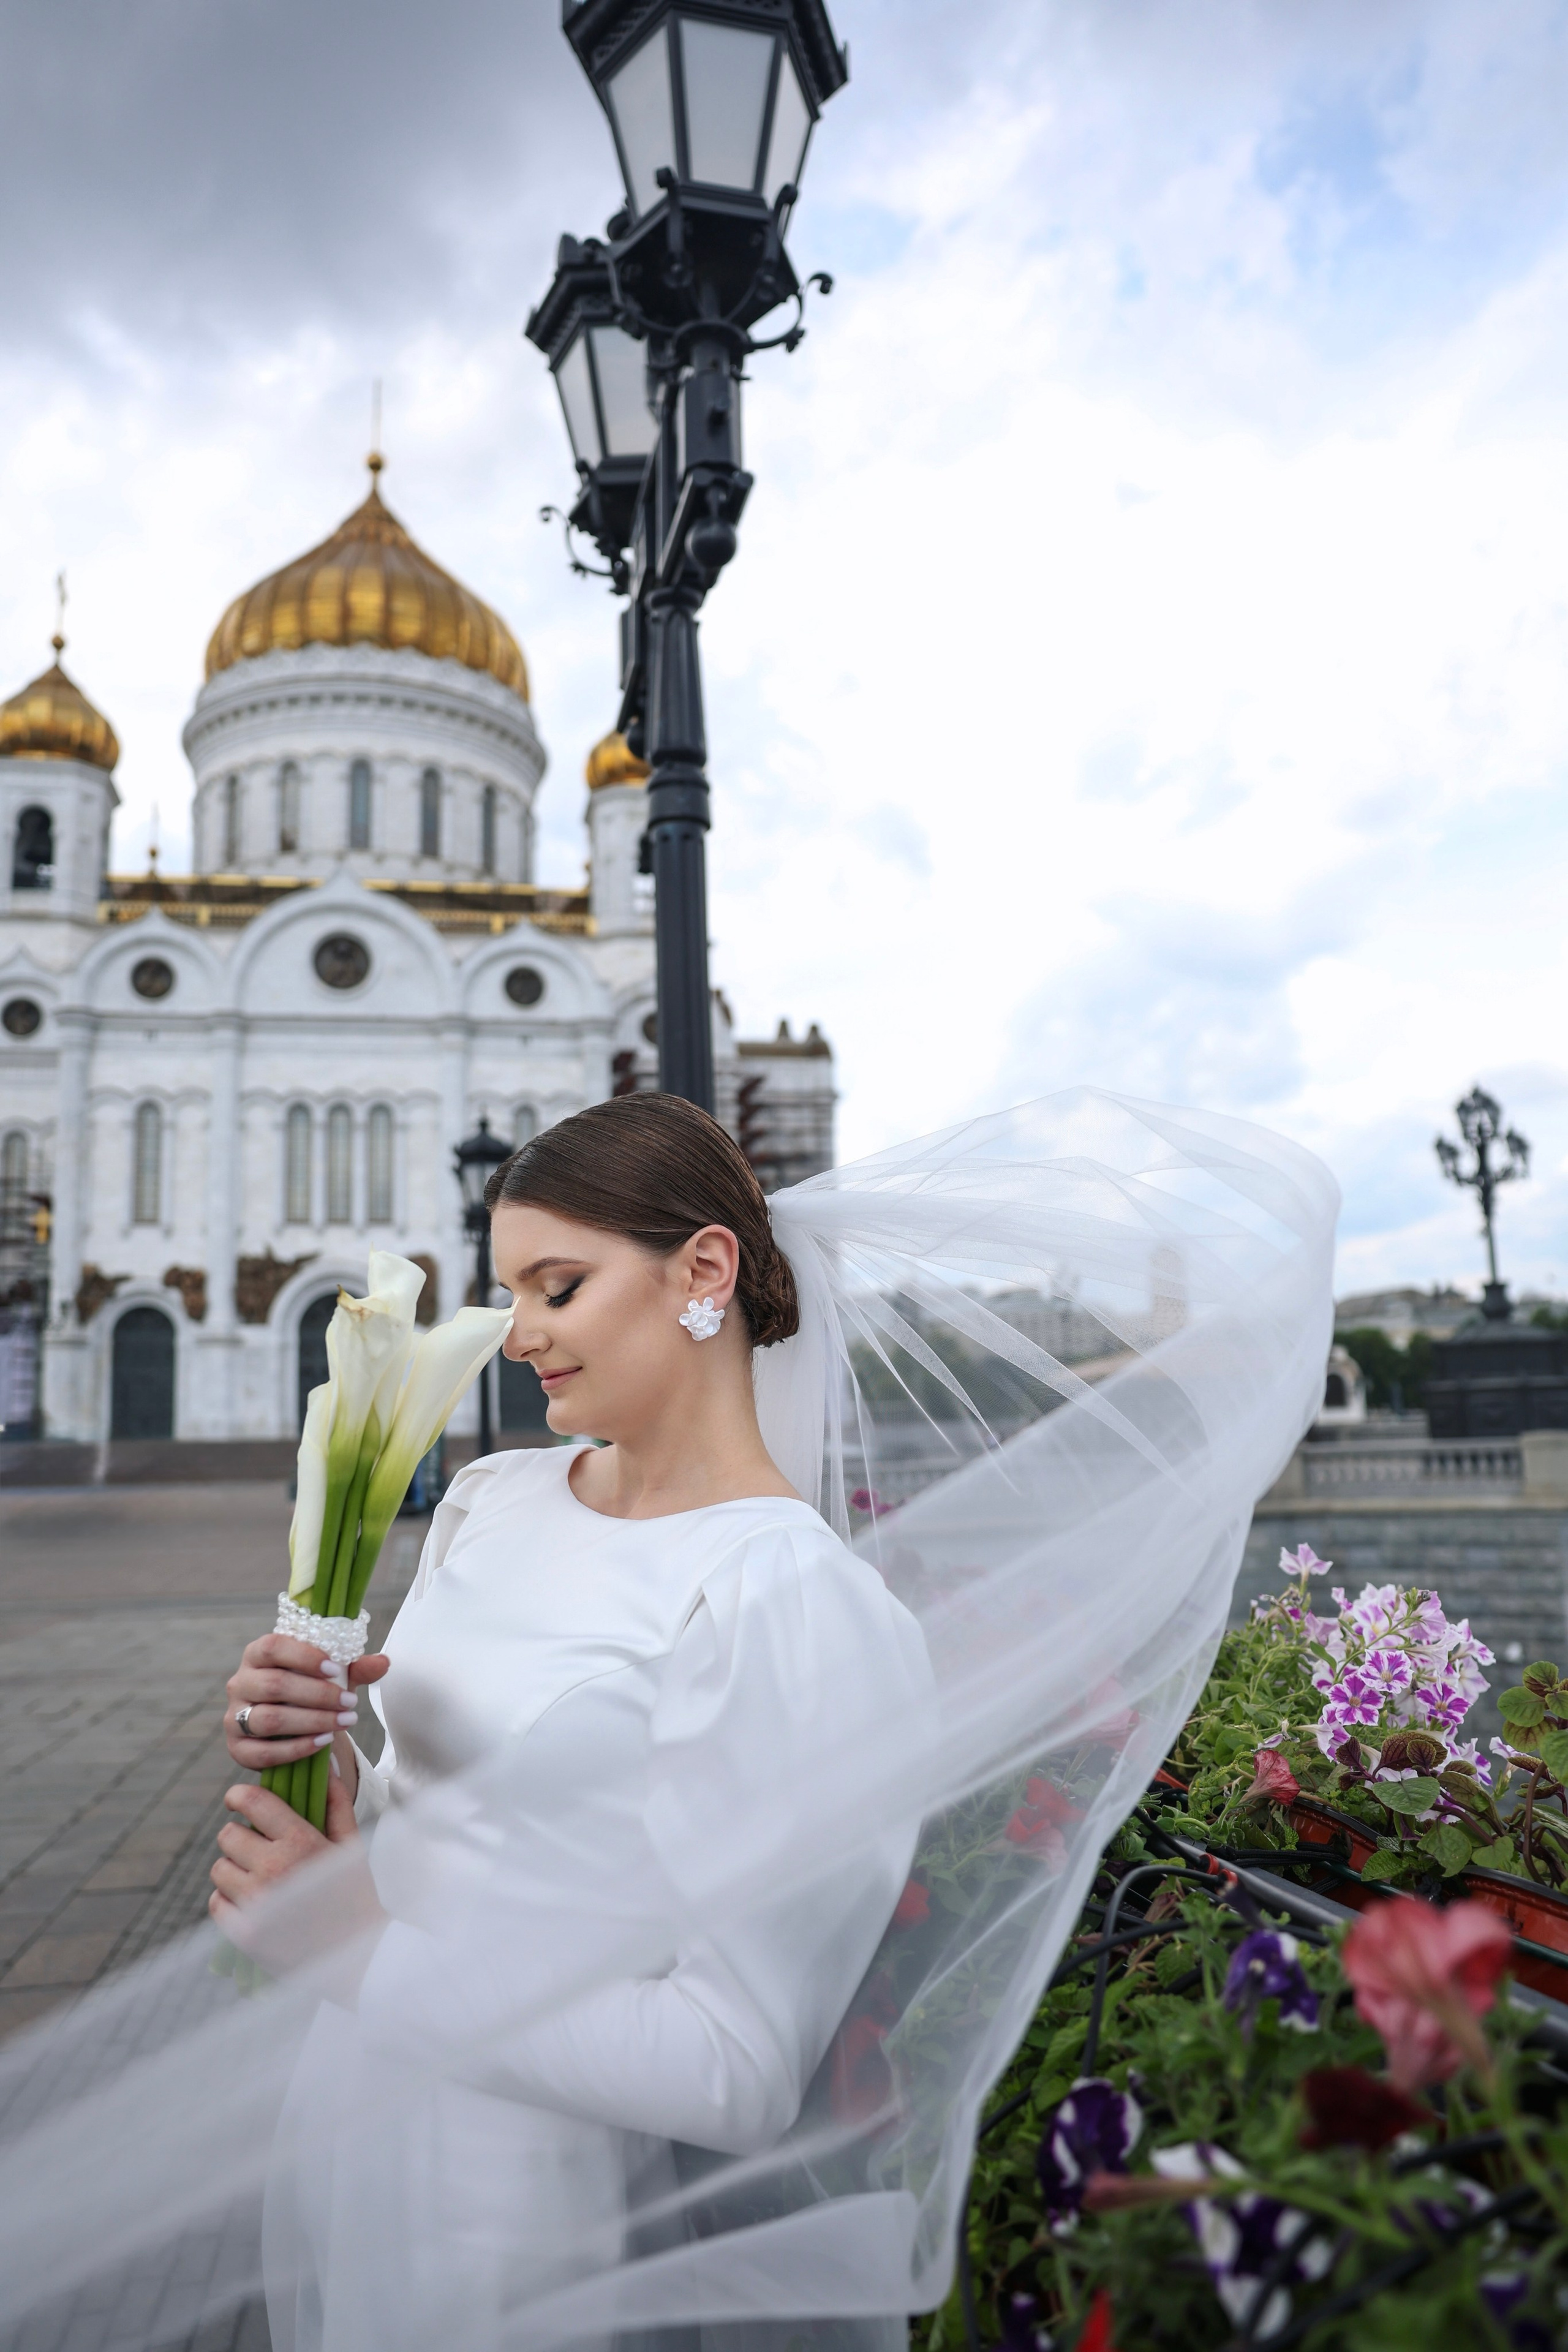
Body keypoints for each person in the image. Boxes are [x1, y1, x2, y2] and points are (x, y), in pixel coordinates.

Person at [213, 1093, 934, 2351]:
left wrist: (365, 1951)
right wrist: (315, 1759)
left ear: (702, 1271)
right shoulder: (495, 1498)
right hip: (360, 2100)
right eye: (510, 1294)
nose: (516, 1335)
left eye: (557, 1288)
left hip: (529, 2196)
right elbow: (435, 1810)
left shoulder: (790, 1600)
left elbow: (736, 2069)